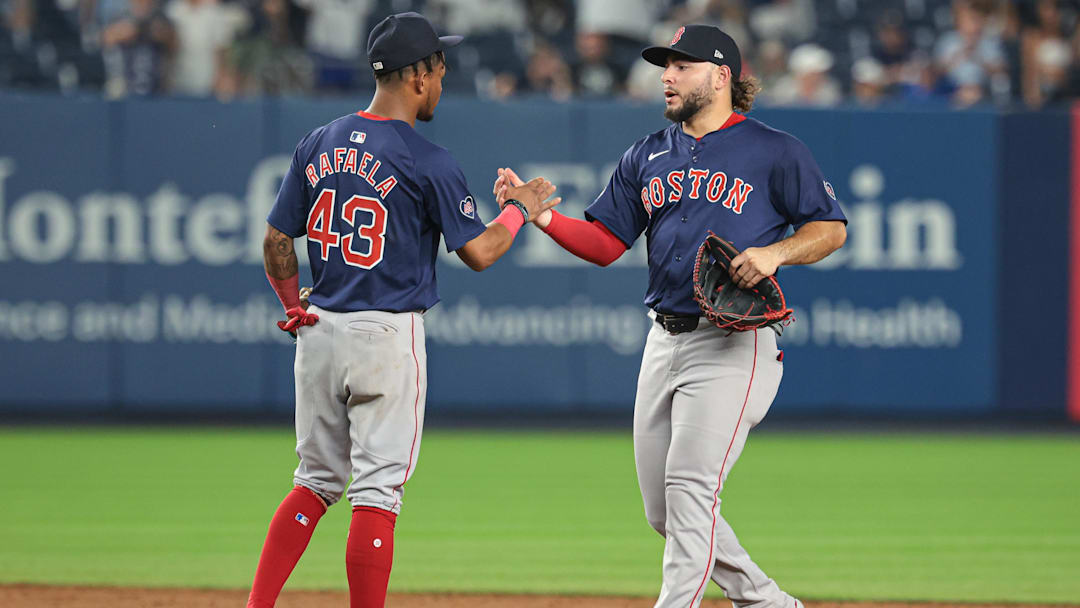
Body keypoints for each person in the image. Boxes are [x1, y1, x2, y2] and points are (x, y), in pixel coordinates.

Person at [495, 24, 846, 608]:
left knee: (689, 490)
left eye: (682, 65)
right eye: (666, 65)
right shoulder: (648, 153)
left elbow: (829, 227)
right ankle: (768, 603)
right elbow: (608, 243)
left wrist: (776, 252)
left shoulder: (774, 150)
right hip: (663, 341)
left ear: (722, 75)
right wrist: (542, 218)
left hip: (734, 344)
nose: (667, 75)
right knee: (667, 512)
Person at [247, 12, 559, 608]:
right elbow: (482, 253)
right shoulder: (428, 158)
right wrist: (519, 207)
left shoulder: (319, 141)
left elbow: (276, 242)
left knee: (313, 484)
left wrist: (293, 308)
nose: (442, 79)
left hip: (319, 331)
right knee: (377, 495)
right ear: (418, 77)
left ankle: (256, 605)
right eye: (439, 68)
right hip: (386, 337)